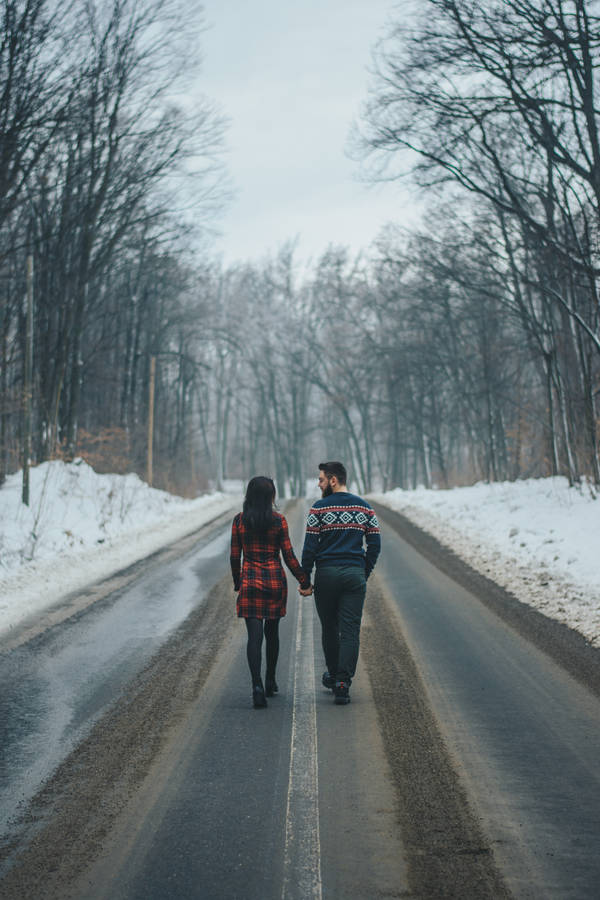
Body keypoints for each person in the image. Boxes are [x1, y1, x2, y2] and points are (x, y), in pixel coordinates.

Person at [300, 461, 381, 705]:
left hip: (326, 575)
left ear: (333, 480)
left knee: (329, 627)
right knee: (350, 630)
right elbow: (375, 545)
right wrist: (362, 572)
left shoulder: (318, 509)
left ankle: (334, 674)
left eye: (321, 479)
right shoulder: (365, 508)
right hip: (353, 574)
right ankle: (343, 682)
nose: (318, 483)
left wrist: (305, 579)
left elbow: (310, 548)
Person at [230, 476, 311, 708]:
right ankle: (270, 680)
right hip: (275, 584)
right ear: (271, 497)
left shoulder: (239, 522)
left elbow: (235, 557)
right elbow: (288, 556)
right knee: (272, 633)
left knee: (254, 638)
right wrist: (304, 580)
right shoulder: (279, 521)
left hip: (250, 584)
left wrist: (238, 582)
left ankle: (256, 685)